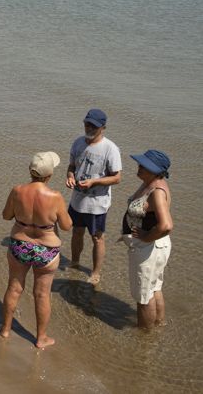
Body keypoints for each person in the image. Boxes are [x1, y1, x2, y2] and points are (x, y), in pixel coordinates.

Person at [0, 152, 73, 349]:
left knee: (14, 288)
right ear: (49, 175)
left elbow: (6, 215)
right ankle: (41, 338)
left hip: (19, 245)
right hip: (46, 250)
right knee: (41, 294)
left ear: (30, 171)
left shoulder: (17, 191)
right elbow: (66, 226)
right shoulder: (55, 196)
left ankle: (6, 329)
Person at [64, 109, 122, 286]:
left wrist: (94, 182)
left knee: (97, 238)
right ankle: (75, 262)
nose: (89, 128)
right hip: (77, 201)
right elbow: (72, 166)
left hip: (97, 204)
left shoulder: (110, 149)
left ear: (103, 128)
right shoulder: (78, 143)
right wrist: (70, 176)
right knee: (76, 232)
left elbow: (117, 177)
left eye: (93, 126)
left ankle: (96, 273)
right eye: (87, 124)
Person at [120, 149, 173, 329]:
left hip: (149, 249)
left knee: (143, 297)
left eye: (143, 165)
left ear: (155, 170)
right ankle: (158, 325)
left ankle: (144, 337)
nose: (139, 167)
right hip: (155, 247)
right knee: (154, 288)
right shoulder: (151, 183)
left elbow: (166, 225)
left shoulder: (157, 191)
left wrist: (146, 237)